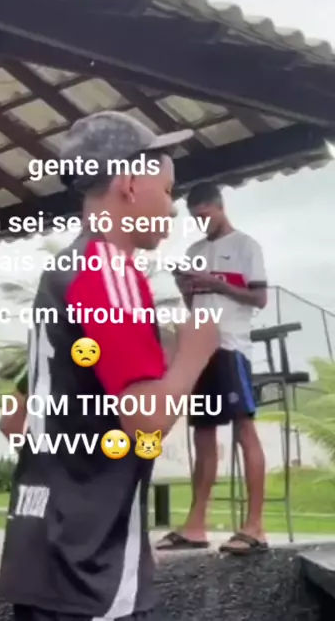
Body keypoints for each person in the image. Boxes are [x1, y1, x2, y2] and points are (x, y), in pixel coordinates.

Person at [0, 111, 220, 621]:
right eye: (168, 190)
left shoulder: (63, 271)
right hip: (92, 567)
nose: (172, 208)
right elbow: (146, 423)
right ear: (129, 184)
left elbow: (14, 420)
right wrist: (194, 351)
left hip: (41, 555)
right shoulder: (110, 271)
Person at [156, 181, 268, 556]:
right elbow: (195, 306)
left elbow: (259, 298)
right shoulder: (194, 251)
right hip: (198, 349)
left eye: (205, 216)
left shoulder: (246, 246)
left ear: (220, 207)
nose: (201, 224)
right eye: (196, 219)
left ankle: (255, 526)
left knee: (244, 430)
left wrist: (213, 283)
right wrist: (187, 288)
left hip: (231, 347)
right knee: (202, 435)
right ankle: (195, 526)